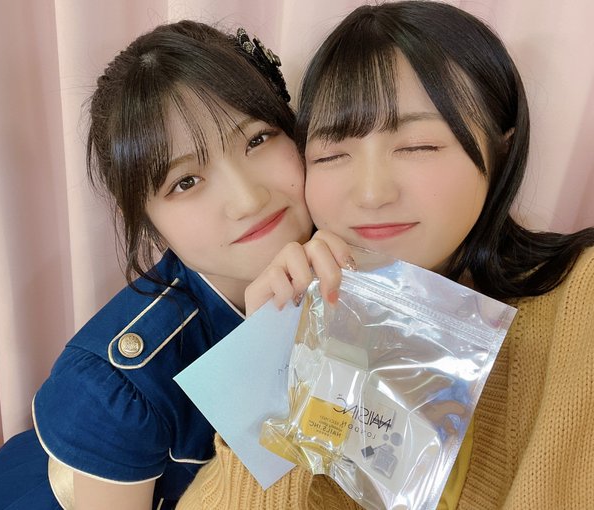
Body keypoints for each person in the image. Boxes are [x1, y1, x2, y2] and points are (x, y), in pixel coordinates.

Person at [177, 2, 594, 509]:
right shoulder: (321, 317)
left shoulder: (581, 301)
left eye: (417, 146)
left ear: (501, 146)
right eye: (331, 154)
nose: (371, 194)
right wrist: (278, 359)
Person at [0, 21, 313, 510]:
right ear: (148, 223)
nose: (248, 199)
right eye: (185, 181)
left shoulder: (350, 255)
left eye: (257, 140)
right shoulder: (120, 382)